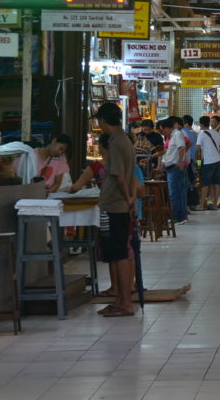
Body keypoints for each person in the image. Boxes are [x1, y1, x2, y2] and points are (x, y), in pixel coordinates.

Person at [94, 101, 139, 317]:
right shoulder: (124, 139)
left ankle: (125, 303)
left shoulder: (116, 142)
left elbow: (120, 177)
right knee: (121, 252)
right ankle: (121, 299)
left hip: (115, 205)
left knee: (118, 253)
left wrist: (128, 198)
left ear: (102, 120)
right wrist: (131, 199)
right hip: (121, 204)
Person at [159, 117, 188, 225]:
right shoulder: (172, 136)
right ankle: (180, 216)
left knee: (174, 193)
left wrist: (180, 161)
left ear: (167, 128)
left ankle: (176, 217)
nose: (163, 132)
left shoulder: (177, 134)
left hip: (175, 168)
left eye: (163, 130)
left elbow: (182, 148)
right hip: (171, 168)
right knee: (177, 193)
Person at [196, 115, 220, 211]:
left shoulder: (201, 134)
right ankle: (215, 205)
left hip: (208, 162)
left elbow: (197, 149)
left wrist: (198, 160)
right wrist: (217, 153)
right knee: (216, 184)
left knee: (205, 184)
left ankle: (201, 205)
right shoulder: (215, 133)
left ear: (201, 124)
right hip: (217, 161)